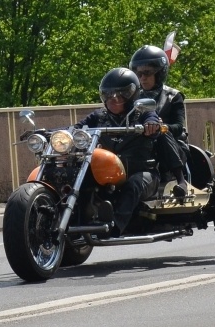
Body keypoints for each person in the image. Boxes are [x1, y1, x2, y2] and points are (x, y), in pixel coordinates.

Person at [81, 68, 165, 236]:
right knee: (82, 177)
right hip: (109, 173)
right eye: (108, 94)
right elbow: (77, 128)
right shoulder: (99, 116)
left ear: (132, 96)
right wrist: (47, 132)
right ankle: (78, 221)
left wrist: (151, 125)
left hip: (144, 173)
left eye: (120, 94)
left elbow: (152, 118)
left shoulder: (142, 113)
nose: (113, 99)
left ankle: (115, 227)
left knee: (133, 184)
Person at [129, 44, 189, 191]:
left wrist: (163, 126)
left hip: (171, 146)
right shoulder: (130, 97)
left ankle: (181, 180)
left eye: (147, 73)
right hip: (141, 142)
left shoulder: (173, 96)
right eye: (139, 74)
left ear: (160, 73)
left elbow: (179, 126)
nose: (142, 78)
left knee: (161, 132)